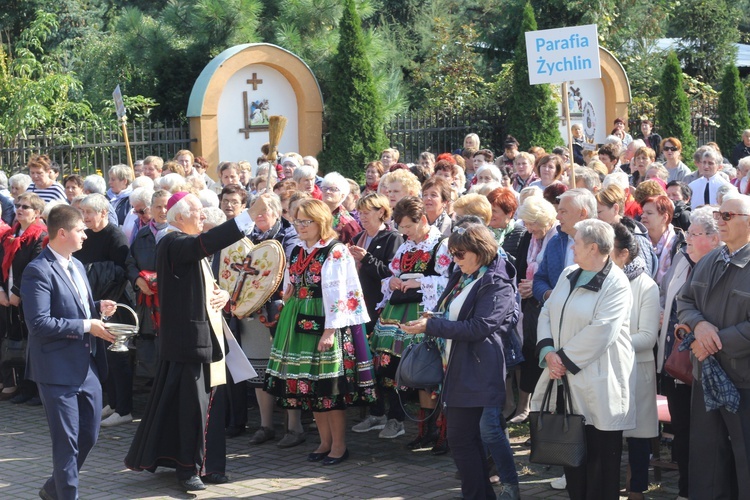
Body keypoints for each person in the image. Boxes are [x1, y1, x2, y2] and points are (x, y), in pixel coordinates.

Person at [125, 192, 260, 491]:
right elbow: (204, 244)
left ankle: (208, 465)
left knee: (207, 406)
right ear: (179, 216)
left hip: (202, 340)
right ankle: (188, 469)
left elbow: (207, 286)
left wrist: (223, 294)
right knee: (191, 408)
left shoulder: (184, 243)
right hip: (189, 342)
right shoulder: (173, 242)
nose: (203, 215)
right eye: (197, 211)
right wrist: (247, 216)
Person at [401, 222, 519, 500]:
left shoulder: (496, 282)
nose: (454, 259)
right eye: (452, 253)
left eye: (460, 253)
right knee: (462, 438)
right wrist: (431, 319)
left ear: (480, 251)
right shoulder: (461, 275)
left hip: (479, 368)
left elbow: (480, 327)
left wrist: (431, 327)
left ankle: (496, 490)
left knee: (470, 436)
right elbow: (451, 314)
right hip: (457, 366)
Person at [265, 199, 376, 465]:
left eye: (306, 221)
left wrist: (329, 331)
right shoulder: (298, 250)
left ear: (320, 222)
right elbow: (293, 281)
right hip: (298, 318)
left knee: (329, 388)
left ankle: (339, 445)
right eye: (297, 221)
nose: (300, 227)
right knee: (312, 387)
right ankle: (324, 442)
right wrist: (289, 292)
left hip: (326, 320)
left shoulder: (335, 251)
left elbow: (341, 294)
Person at [533, 219, 635, 500]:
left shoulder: (616, 283)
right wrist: (547, 352)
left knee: (601, 459)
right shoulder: (569, 273)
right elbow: (547, 312)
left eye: (576, 242)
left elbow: (602, 331)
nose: (572, 247)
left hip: (599, 382)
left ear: (592, 248)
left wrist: (561, 359)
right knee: (573, 455)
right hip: (566, 378)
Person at [20, 205, 117, 500]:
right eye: (80, 230)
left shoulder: (76, 264)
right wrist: (87, 324)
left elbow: (77, 306)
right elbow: (39, 323)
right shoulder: (37, 270)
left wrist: (97, 307)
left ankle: (53, 489)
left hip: (86, 367)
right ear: (62, 233)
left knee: (89, 435)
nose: (85, 235)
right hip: (56, 369)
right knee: (67, 443)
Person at [676, 195, 750, 498]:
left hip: (744, 382)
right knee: (707, 460)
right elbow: (685, 301)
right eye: (719, 214)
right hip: (706, 377)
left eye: (728, 215)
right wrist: (699, 326)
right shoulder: (709, 260)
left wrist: (714, 342)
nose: (720, 219)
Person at [657, 206, 720, 499]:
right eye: (687, 233)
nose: (688, 239)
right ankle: (684, 489)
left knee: (707, 436)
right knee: (682, 432)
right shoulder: (681, 260)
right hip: (676, 364)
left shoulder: (722, 267)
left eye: (694, 234)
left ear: (714, 237)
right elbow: (666, 295)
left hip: (709, 366)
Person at [610, 223, 659, 500]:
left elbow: (648, 337)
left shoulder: (646, 287)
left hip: (636, 372)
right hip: (607, 371)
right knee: (609, 433)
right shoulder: (601, 280)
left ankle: (637, 488)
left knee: (639, 437)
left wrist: (607, 342)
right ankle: (608, 484)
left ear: (624, 253)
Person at [0, 193, 47, 405]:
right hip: (7, 296)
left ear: (37, 213)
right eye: (17, 205)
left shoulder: (40, 235)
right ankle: (23, 387)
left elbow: (34, 267)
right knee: (16, 343)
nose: (19, 209)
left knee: (33, 344)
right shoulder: (11, 234)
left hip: (29, 297)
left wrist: (17, 292)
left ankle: (38, 390)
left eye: (25, 207)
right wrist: (2, 290)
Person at [320, 172, 361, 244]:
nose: (327, 191)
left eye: (333, 189)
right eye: (324, 188)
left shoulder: (349, 225)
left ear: (342, 195)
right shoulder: (316, 213)